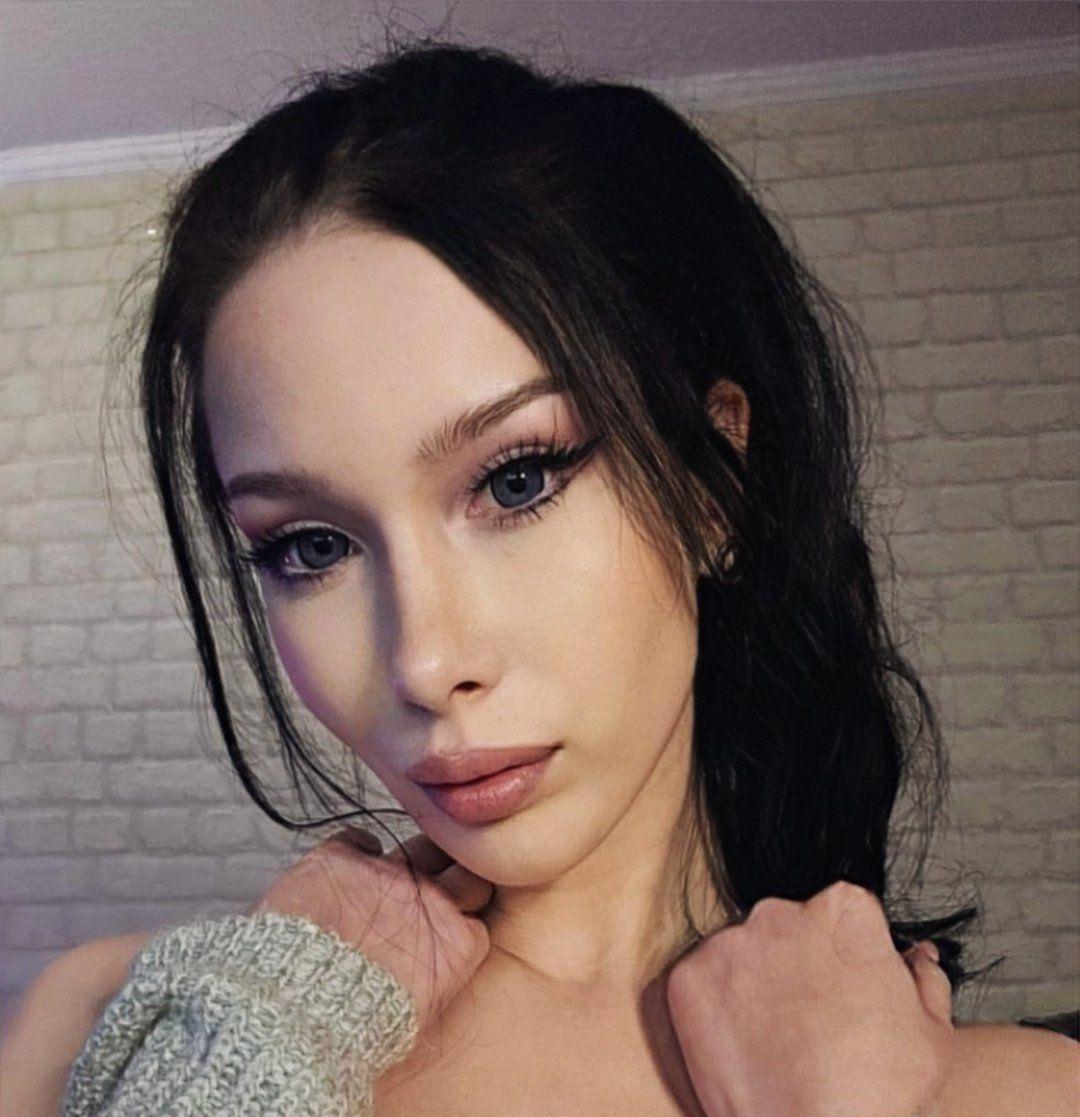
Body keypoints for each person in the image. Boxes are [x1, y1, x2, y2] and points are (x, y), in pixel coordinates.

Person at [1, 35, 1075, 1117]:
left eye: (516, 481)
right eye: (311, 546)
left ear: (714, 487)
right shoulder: (111, 1034)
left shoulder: (1026, 1093)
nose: (426, 662)